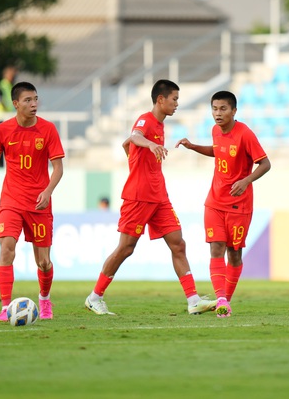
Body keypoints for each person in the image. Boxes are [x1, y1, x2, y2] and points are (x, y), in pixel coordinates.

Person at [84, 79, 216, 316]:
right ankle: (95, 296)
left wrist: (134, 159)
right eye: (174, 99)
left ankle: (193, 300)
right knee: (126, 248)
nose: (177, 104)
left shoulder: (161, 125)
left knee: (178, 243)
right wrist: (147, 147)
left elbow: (128, 144)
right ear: (160, 99)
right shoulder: (146, 119)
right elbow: (134, 136)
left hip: (159, 196)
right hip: (139, 196)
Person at [175, 91, 271, 318]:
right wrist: (193, 147)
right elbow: (218, 152)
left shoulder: (245, 134)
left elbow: (265, 164)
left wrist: (246, 180)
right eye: (214, 109)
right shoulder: (215, 131)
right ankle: (220, 300)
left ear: (234, 111)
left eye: (223, 109)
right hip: (215, 202)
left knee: (234, 254)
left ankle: (225, 300)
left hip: (239, 204)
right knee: (215, 248)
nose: (218, 114)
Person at [0, 81, 65, 322]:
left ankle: (45, 300)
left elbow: (58, 168)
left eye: (36, 99)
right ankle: (5, 307)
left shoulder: (48, 130)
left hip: (39, 203)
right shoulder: (1, 130)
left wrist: (48, 191)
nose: (34, 104)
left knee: (44, 262)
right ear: (15, 103)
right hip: (11, 201)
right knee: (6, 250)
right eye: (28, 100)